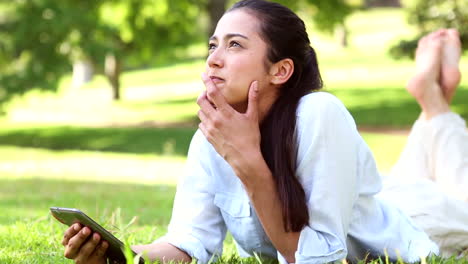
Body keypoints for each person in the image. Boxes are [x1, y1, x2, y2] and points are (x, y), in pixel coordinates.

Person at [59, 1, 468, 263]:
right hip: (375, 198)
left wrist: (249, 162)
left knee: (457, 196)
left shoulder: (319, 114)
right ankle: (433, 103)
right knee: (414, 172)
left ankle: (433, 101)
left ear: (281, 70)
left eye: (234, 45)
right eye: (212, 45)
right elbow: (189, 241)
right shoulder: (211, 136)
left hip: (420, 220)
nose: (214, 60)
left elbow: (317, 257)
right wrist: (124, 257)